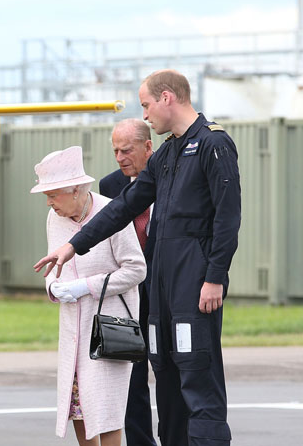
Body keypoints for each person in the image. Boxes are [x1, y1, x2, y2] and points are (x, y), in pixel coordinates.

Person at [35, 70, 241, 446]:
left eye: (146, 105)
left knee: (197, 375)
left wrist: (215, 276)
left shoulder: (214, 144)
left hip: (194, 284)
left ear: (167, 98)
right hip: (161, 287)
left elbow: (228, 218)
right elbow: (123, 208)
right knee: (166, 377)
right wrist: (74, 245)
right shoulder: (168, 154)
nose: (145, 115)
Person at [30, 146, 146, 446]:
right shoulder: (55, 219)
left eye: (53, 194)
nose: (48, 202)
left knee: (106, 412)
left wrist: (86, 287)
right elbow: (54, 265)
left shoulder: (112, 213)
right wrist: (53, 287)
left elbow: (136, 270)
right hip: (73, 332)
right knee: (79, 411)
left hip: (108, 330)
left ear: (77, 189)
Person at [99, 118, 157, 446]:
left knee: (170, 376)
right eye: (115, 151)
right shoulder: (109, 187)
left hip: (164, 293)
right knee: (131, 381)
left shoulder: (170, 181)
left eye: (126, 150)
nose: (120, 158)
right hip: (127, 299)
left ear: (148, 147)